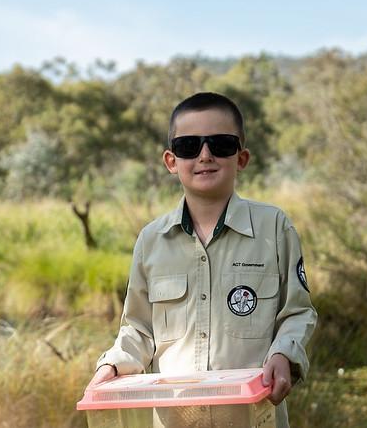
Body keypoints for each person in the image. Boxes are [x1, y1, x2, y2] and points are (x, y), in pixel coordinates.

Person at [86, 92, 317, 427]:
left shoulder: (275, 228)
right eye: (188, 146)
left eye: (220, 143)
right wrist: (111, 366)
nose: (205, 155)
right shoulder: (151, 240)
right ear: (170, 160)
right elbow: (138, 328)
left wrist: (284, 354)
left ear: (241, 157)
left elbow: (297, 312)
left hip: (253, 420)